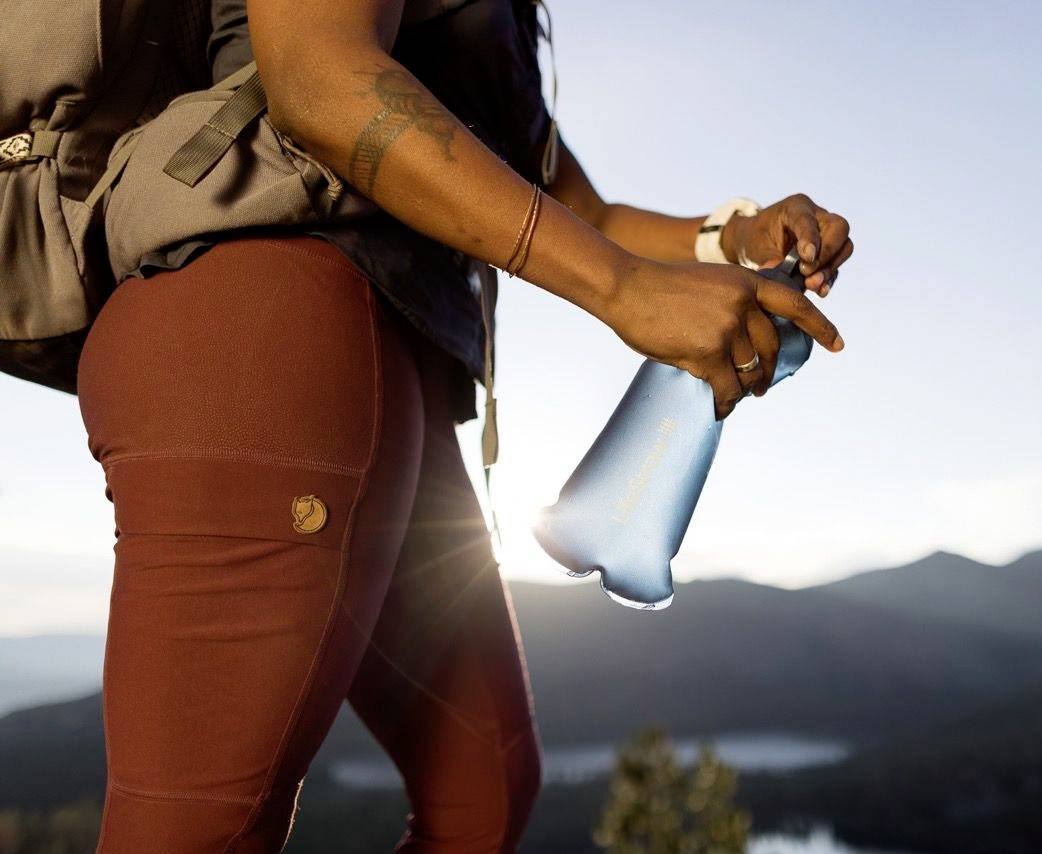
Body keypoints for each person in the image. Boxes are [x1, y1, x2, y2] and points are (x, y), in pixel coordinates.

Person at [75, 0, 854, 851]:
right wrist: (624, 290)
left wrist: (733, 238)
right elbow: (318, 75)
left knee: (484, 786)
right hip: (262, 332)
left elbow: (575, 207)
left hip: (387, 360)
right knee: (199, 830)